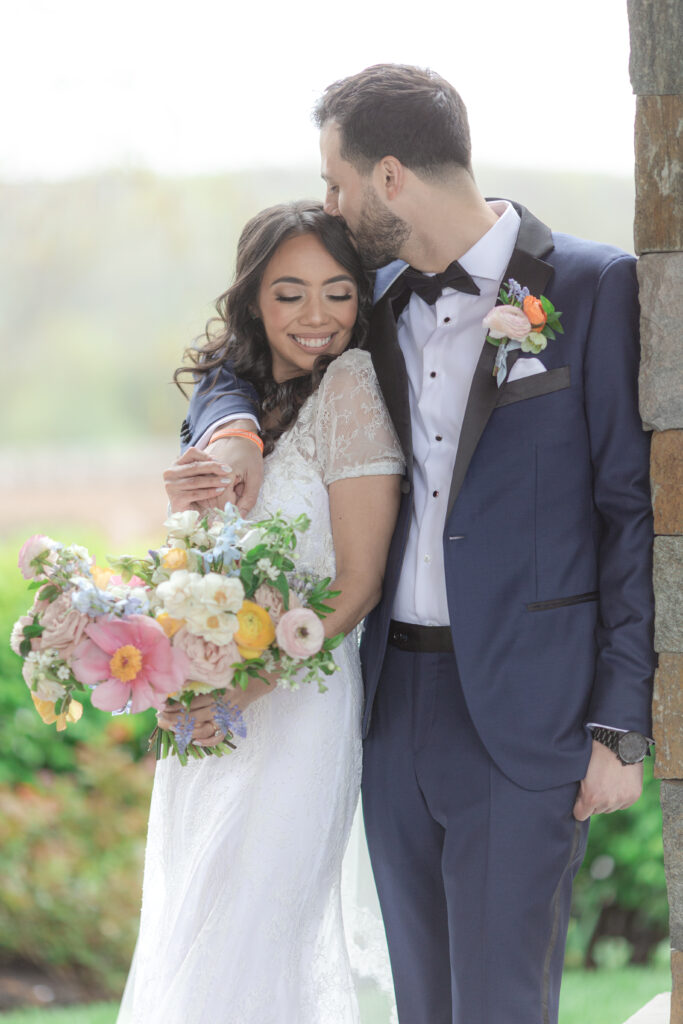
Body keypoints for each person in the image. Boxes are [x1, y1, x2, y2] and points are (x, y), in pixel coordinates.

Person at [176, 66, 655, 1024]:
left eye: (336, 183)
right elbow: (239, 357)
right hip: (390, 705)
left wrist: (617, 724)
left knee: (501, 1003)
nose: (330, 204)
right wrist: (225, 432)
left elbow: (627, 515)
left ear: (388, 177)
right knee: (420, 1004)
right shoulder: (371, 298)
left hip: (528, 712)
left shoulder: (593, 288)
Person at [117, 200, 404, 1024]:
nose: (317, 317)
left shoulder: (349, 389)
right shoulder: (236, 401)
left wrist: (244, 691)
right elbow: (204, 566)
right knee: (196, 914)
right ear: (252, 301)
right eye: (289, 294)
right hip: (209, 704)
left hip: (295, 704)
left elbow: (357, 585)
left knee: (261, 928)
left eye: (338, 292)